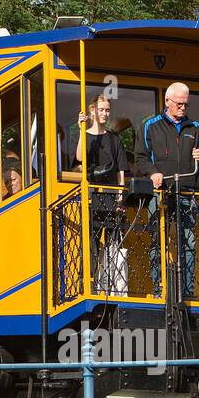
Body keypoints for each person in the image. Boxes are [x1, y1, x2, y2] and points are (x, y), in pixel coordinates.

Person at [135, 82, 199, 297]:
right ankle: (159, 288)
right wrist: (152, 172)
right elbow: (140, 157)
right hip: (160, 192)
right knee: (157, 238)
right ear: (167, 101)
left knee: (188, 242)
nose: (183, 108)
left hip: (186, 192)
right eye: (179, 104)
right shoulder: (150, 126)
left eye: (186, 104)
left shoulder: (196, 128)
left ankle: (187, 290)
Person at [67, 94, 130, 294]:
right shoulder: (86, 136)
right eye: (101, 109)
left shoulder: (114, 139)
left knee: (113, 243)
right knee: (92, 243)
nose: (104, 113)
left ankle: (113, 287)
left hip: (111, 196)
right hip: (92, 196)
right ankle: (90, 285)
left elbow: (121, 170)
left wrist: (121, 196)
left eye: (107, 110)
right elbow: (78, 158)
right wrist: (80, 130)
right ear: (92, 111)